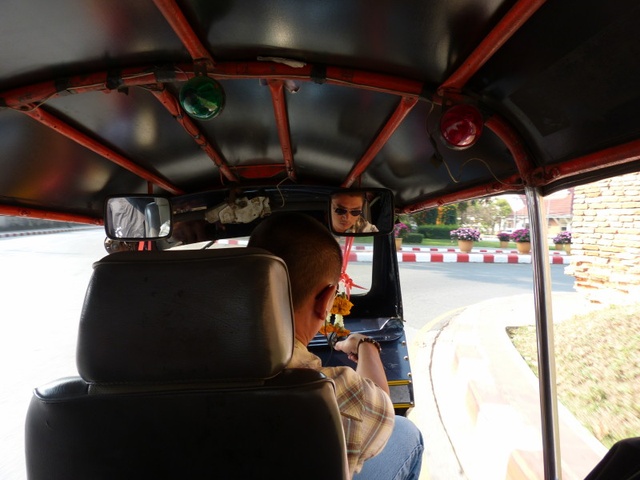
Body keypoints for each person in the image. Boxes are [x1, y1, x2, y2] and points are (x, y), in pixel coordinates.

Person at [248, 213, 423, 479]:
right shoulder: (331, 389)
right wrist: (364, 344)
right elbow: (381, 406)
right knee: (406, 432)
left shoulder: (180, 361)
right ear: (327, 299)